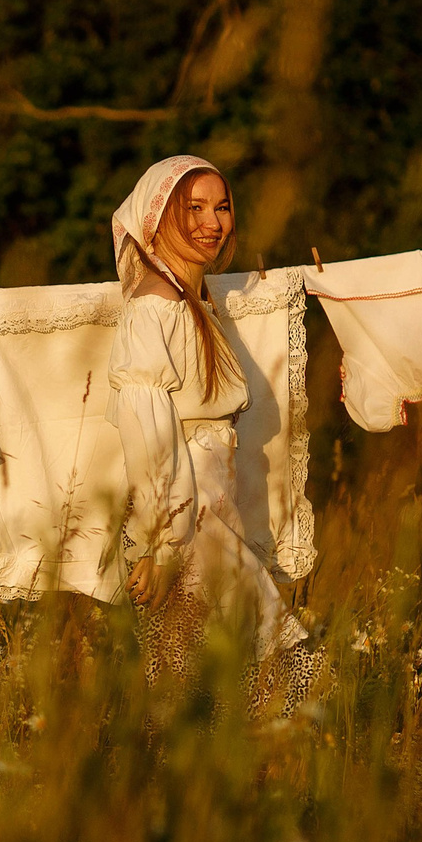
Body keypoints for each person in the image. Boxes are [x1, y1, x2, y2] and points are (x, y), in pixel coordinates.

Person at [105, 155, 313, 695]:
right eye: (192, 208)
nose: (212, 222)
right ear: (156, 219)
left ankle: (230, 771)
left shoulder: (190, 301)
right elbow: (149, 433)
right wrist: (157, 541)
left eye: (221, 207)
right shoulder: (154, 305)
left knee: (220, 670)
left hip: (207, 507)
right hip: (184, 516)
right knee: (262, 666)